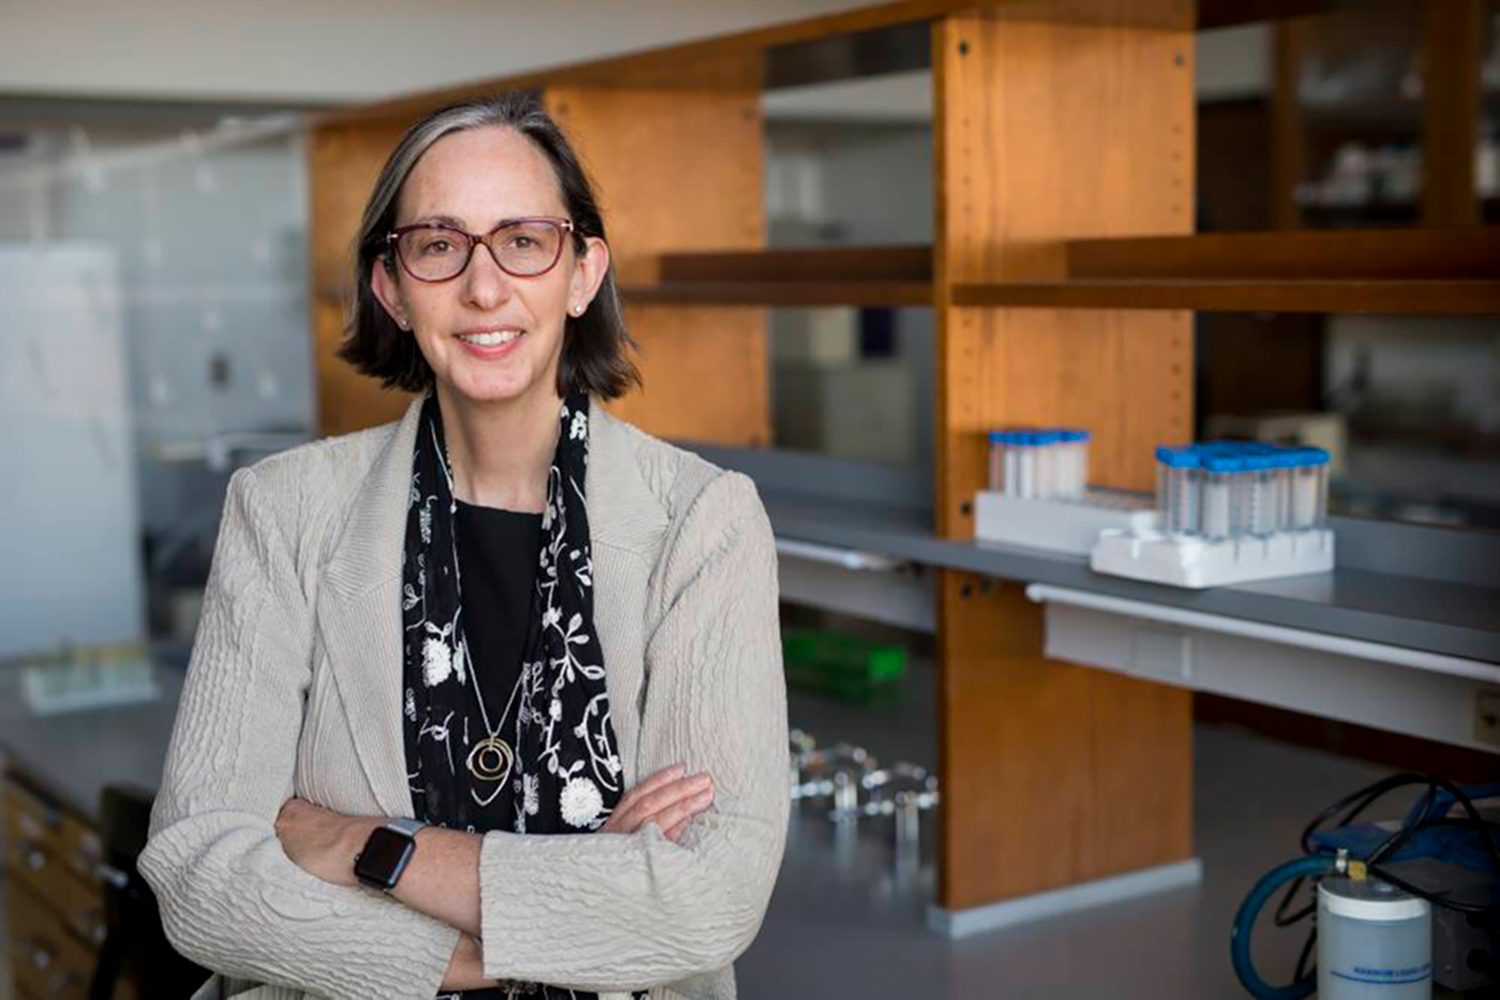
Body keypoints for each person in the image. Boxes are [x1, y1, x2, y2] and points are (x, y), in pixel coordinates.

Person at [139, 91, 789, 1000]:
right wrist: (497, 945)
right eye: (439, 246)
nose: (485, 288)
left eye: (524, 241)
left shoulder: (704, 524)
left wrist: (369, 848)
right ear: (391, 287)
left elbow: (710, 900)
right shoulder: (282, 510)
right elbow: (197, 874)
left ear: (582, 272)